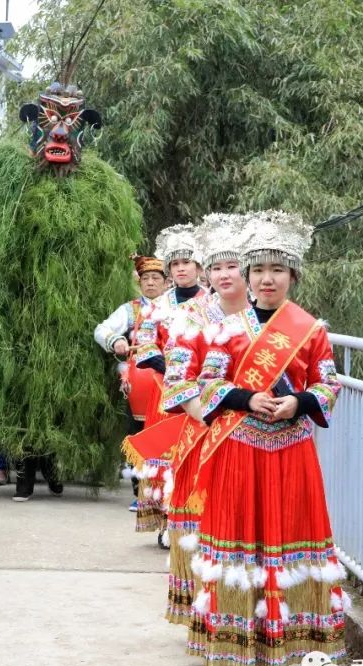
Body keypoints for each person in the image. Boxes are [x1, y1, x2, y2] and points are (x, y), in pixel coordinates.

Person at [186, 210, 347, 666]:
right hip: (241, 448)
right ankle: (232, 647)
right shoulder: (226, 328)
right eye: (258, 270)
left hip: (291, 449)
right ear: (247, 276)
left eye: (277, 270)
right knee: (241, 542)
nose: (267, 278)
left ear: (292, 275)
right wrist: (246, 397)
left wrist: (297, 402)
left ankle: (277, 649)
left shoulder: (310, 330)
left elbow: (329, 384)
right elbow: (208, 384)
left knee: (282, 540)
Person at [157, 213, 251, 625]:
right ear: (206, 272)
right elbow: (178, 379)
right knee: (204, 523)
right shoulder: (192, 316)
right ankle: (206, 611)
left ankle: (243, 613)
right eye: (216, 266)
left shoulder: (271, 317)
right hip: (205, 433)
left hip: (256, 436)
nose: (224, 274)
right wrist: (211, 418)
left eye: (233, 265)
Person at [130, 224, 206, 541]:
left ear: (199, 267)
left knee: (195, 455)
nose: (181, 269)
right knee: (164, 457)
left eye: (187, 262)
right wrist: (164, 364)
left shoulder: (213, 302)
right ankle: (165, 521)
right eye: (175, 264)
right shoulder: (159, 305)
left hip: (201, 393)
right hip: (164, 391)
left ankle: (196, 518)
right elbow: (144, 341)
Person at [94, 254, 166, 510]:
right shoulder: (130, 309)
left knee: (167, 435)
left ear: (165, 283)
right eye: (145, 278)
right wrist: (116, 341)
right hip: (140, 384)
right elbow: (101, 329)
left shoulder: (177, 307)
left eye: (156, 278)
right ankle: (141, 492)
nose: (150, 283)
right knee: (139, 435)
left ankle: (167, 492)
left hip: (171, 379)